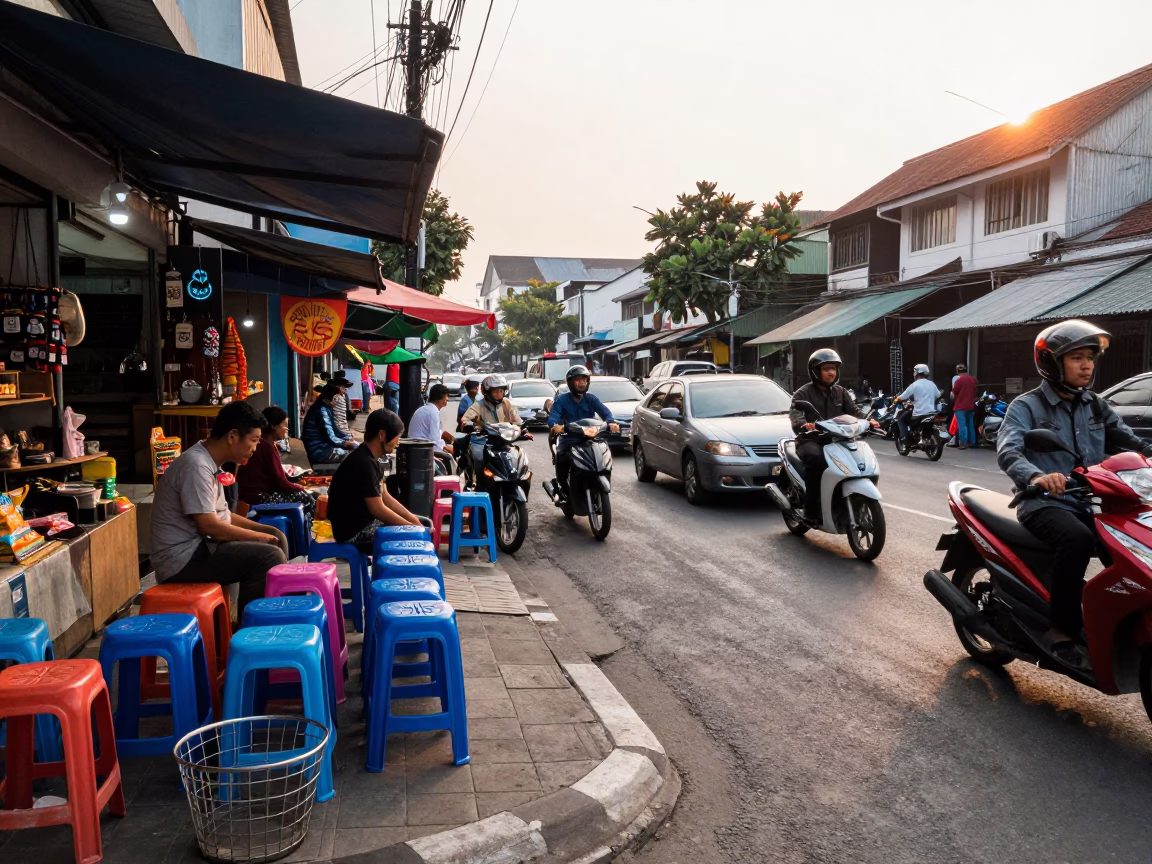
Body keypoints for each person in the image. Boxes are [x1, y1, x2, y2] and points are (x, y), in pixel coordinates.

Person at [998, 320, 1149, 668]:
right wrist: (1037, 476)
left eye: (1090, 359)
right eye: (1077, 358)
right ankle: (1062, 632)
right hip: (1044, 502)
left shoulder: (1095, 405)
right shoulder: (1027, 406)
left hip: (1094, 500)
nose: (1086, 366)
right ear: (1051, 363)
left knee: (1135, 540)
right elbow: (1009, 451)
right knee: (1078, 540)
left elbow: (1129, 440)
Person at [150, 402, 289, 620]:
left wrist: (266, 531)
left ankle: (269, 618)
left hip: (200, 548)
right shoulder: (196, 465)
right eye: (253, 441)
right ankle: (252, 636)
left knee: (277, 537)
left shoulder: (210, 463)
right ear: (233, 436)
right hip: (180, 560)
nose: (254, 449)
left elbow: (223, 516)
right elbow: (210, 526)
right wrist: (262, 538)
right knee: (268, 555)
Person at [327, 408, 425, 554]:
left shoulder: (369, 459)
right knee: (410, 539)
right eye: (396, 437)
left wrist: (414, 522)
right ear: (382, 435)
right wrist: (412, 529)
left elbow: (385, 496)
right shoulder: (364, 463)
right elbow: (378, 509)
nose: (397, 442)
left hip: (363, 524)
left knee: (421, 525)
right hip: (353, 533)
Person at [789, 349, 856, 523]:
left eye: (833, 368)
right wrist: (804, 425)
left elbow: (855, 413)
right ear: (815, 371)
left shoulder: (841, 392)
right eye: (826, 368)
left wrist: (870, 421)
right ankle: (811, 510)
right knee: (816, 460)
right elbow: (796, 417)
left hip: (837, 440)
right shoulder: (802, 394)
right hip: (811, 441)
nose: (831, 372)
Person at [547, 365, 617, 502]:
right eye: (578, 380)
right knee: (561, 457)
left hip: (589, 438)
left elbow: (605, 411)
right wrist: (555, 426)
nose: (582, 383)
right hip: (569, 439)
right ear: (570, 382)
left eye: (584, 380)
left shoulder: (591, 398)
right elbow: (553, 416)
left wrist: (611, 422)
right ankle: (562, 488)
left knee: (602, 454)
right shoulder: (562, 400)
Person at [238, 405, 316, 517]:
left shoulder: (267, 444)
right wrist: (298, 486)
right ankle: (305, 529)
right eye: (285, 426)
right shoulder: (267, 447)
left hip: (256, 493)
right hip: (258, 496)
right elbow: (280, 481)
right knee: (306, 497)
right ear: (274, 427)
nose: (287, 429)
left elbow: (277, 474)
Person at [302, 384, 355, 465]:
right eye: (335, 399)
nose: (336, 402)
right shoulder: (322, 411)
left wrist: (347, 438)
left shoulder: (324, 408)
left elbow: (334, 430)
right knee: (353, 455)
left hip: (322, 447)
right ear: (329, 398)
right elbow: (331, 438)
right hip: (319, 451)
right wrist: (345, 443)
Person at [410, 383, 456, 474]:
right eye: (446, 399)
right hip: (423, 451)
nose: (446, 401)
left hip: (416, 448)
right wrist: (447, 449)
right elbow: (435, 443)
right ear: (441, 399)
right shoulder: (433, 413)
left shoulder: (424, 409)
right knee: (452, 461)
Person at [893, 364, 941, 444]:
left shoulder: (914, 385)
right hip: (931, 412)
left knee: (901, 420)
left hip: (919, 413)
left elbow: (903, 396)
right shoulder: (932, 384)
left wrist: (896, 399)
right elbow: (938, 396)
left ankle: (904, 439)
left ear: (917, 372)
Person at [951, 364, 979, 450]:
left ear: (957, 371)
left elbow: (954, 392)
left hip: (960, 406)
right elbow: (976, 391)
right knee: (970, 424)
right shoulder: (973, 380)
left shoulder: (959, 380)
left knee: (962, 425)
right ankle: (973, 442)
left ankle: (963, 443)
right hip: (970, 405)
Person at [328, 374, 356, 443]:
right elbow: (339, 421)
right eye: (343, 388)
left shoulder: (341, 397)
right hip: (339, 430)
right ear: (338, 387)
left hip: (342, 429)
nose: (345, 390)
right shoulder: (337, 397)